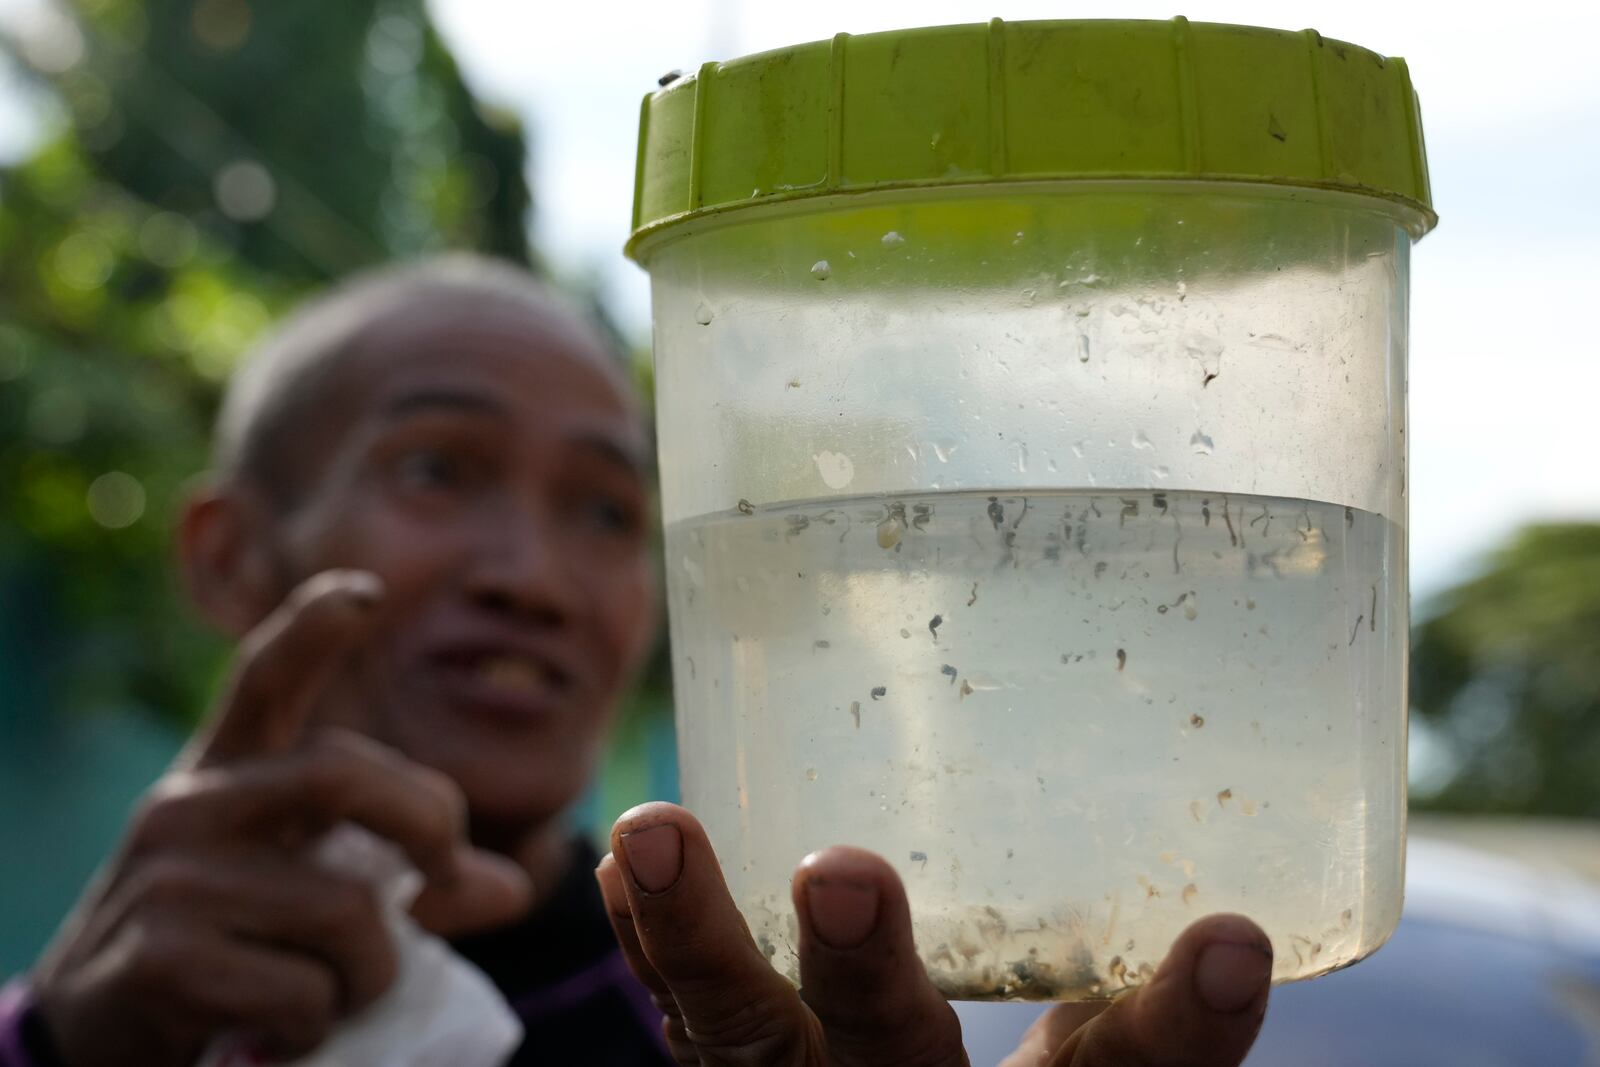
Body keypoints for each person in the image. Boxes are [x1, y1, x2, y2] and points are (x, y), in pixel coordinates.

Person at [0, 255, 1274, 1067]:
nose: (535, 576)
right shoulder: (102, 1020)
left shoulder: (735, 1030)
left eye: (609, 511)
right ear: (231, 556)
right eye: (436, 467)